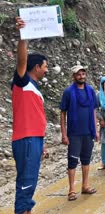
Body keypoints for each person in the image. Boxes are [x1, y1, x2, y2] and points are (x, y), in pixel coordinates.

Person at [11, 17, 48, 214]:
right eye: (45, 66)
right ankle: (23, 210)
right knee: (26, 181)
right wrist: (23, 37)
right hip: (26, 139)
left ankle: (26, 210)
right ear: (36, 67)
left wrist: (42, 142)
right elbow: (21, 61)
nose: (47, 69)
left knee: (30, 178)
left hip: (34, 139)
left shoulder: (33, 88)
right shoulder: (22, 82)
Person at [60, 65, 98, 201]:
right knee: (72, 161)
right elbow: (63, 113)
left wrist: (96, 129)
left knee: (86, 159)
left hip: (88, 131)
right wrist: (64, 134)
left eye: (83, 74)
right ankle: (71, 190)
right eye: (78, 74)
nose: (81, 76)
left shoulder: (90, 90)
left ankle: (85, 185)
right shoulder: (68, 92)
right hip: (74, 132)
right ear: (73, 76)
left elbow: (94, 110)